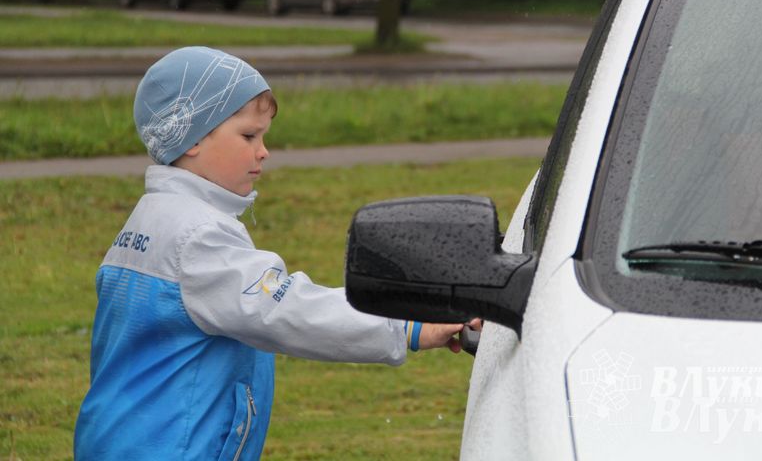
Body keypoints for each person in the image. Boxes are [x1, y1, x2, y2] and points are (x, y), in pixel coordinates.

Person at [74, 46, 471, 460]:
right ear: (189, 138)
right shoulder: (198, 239)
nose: (263, 151)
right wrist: (405, 324)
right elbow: (287, 310)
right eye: (248, 135)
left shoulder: (147, 223)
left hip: (116, 439)